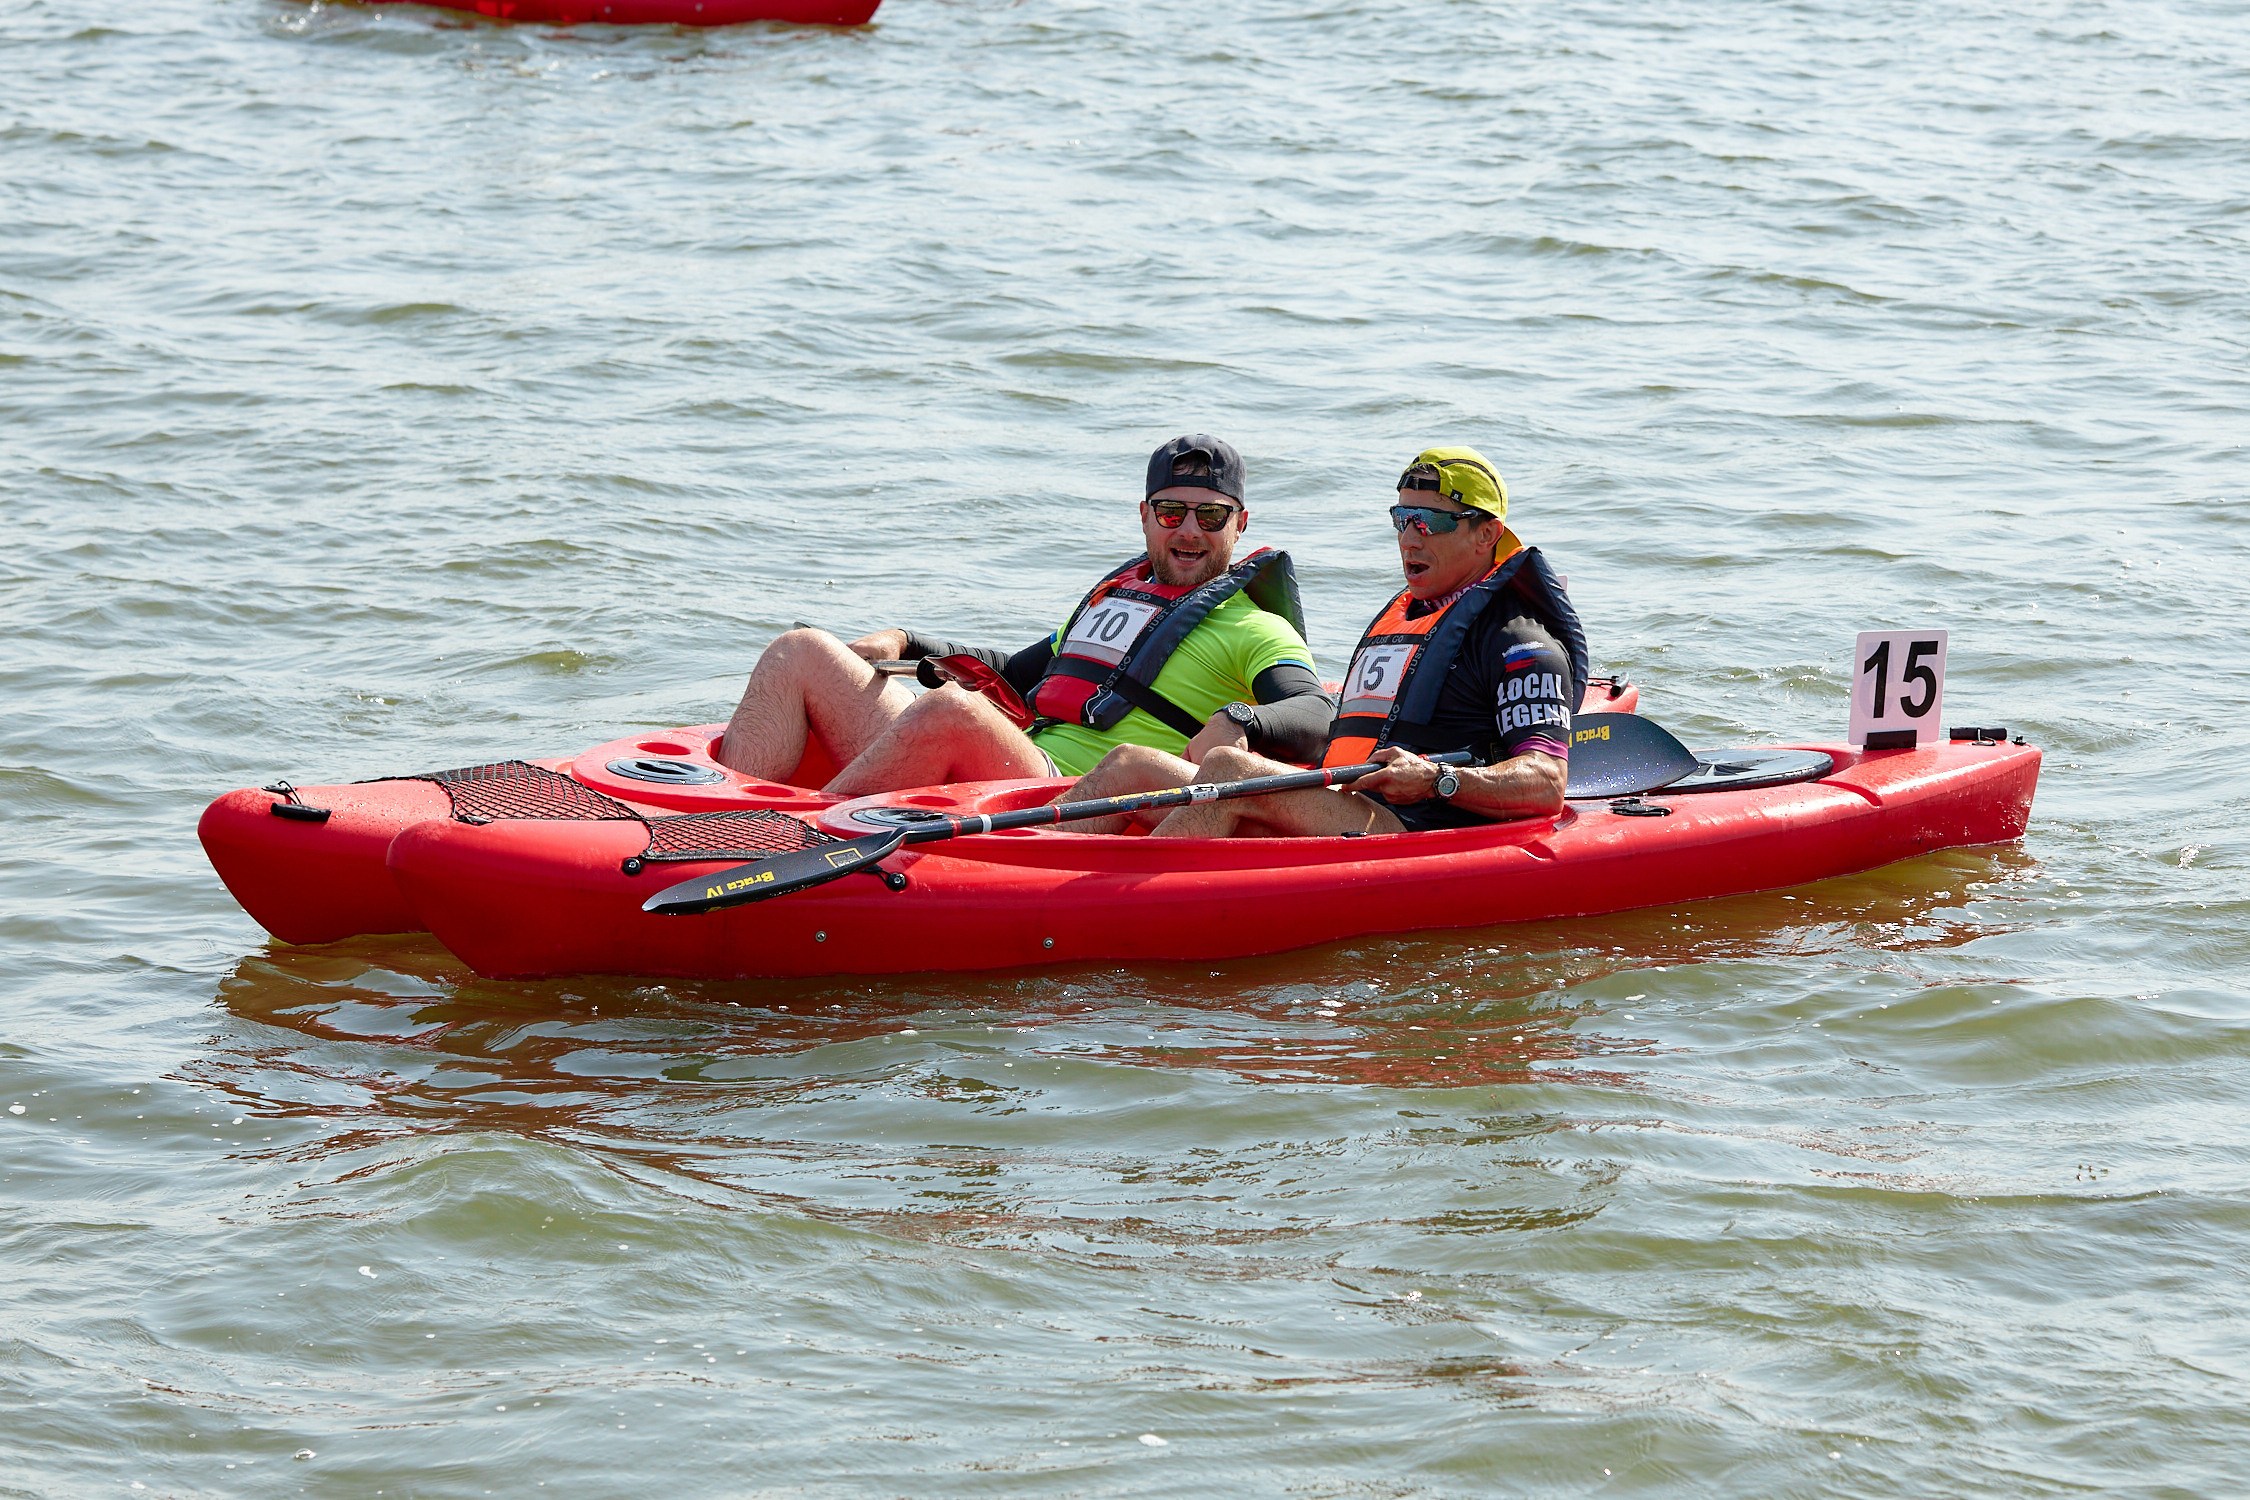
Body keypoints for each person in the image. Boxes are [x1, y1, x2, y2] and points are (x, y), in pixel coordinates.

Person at [715, 435, 1334, 796]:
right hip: (1011, 756)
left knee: (956, 711)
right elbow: (1015, 671)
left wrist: (1240, 718)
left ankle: (794, 849)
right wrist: (905, 640)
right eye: (1172, 512)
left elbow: (1315, 713)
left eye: (1212, 516)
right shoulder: (1116, 601)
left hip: (1064, 797)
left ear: (1241, 524)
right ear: (1145, 516)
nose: (1190, 531)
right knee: (800, 649)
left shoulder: (1256, 628)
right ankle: (711, 824)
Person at [1066, 445, 1588, 837]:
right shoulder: (1413, 618)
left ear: (1486, 534)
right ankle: (1014, 867)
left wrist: (1436, 780)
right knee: (1131, 762)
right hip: (1346, 802)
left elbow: (1545, 785)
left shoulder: (1521, 644)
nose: (1410, 537)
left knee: (1228, 768)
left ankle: (1108, 908)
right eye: (1402, 519)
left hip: (1416, 829)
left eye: (1429, 522)